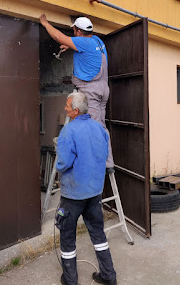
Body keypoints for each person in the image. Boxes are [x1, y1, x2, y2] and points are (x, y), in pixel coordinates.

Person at [55, 92, 117, 285]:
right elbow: (103, 156)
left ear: (75, 111)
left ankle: (70, 280)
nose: (65, 109)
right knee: (98, 233)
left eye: (67, 107)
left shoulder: (68, 131)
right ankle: (108, 276)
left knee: (67, 236)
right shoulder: (100, 129)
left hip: (73, 195)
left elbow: (63, 163)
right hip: (94, 192)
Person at [39, 14, 114, 169]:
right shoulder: (98, 41)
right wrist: (71, 45)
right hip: (102, 88)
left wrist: (46, 24)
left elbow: (58, 36)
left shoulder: (82, 41)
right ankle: (107, 160)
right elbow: (87, 51)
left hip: (91, 90)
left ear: (79, 32)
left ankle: (102, 163)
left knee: (93, 127)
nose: (73, 33)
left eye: (74, 31)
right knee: (101, 125)